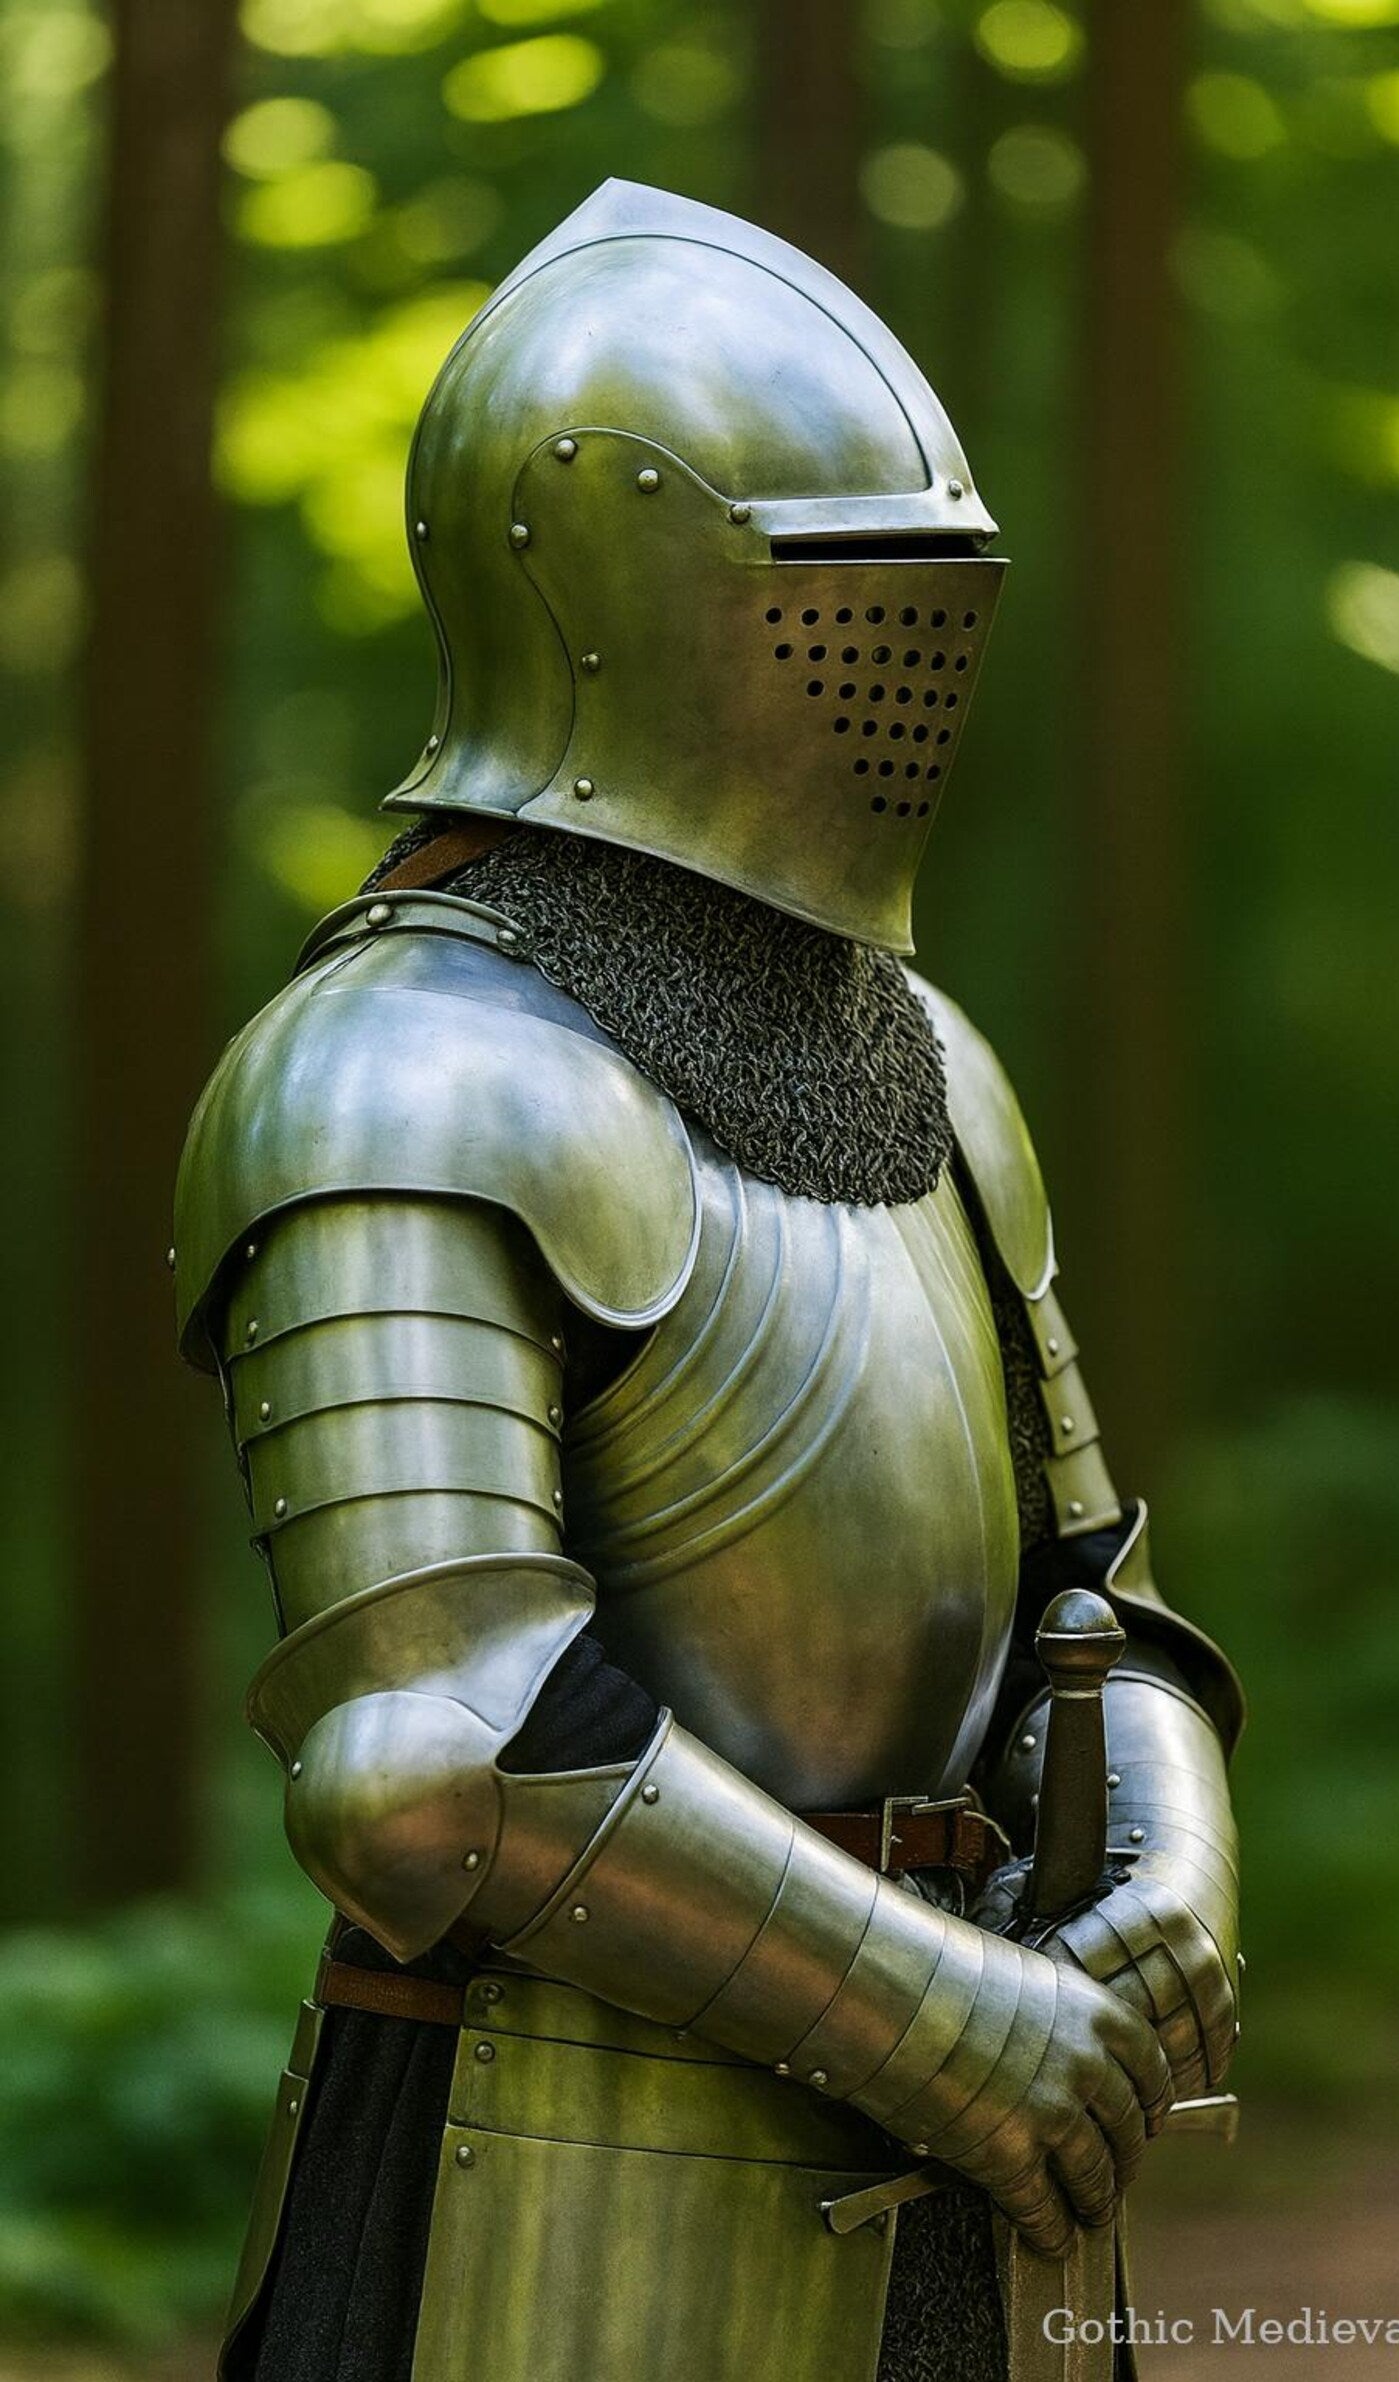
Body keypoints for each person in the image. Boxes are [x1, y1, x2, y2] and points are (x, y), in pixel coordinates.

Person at [173, 179, 1241, 2382]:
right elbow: (434, 1754)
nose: (909, 658)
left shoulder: (926, 1062)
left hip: (1004, 2197)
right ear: (626, 606)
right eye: (852, 598)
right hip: (559, 2197)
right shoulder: (401, 1071)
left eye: (937, 598)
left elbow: (1091, 1591)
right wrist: (956, 2027)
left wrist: (1160, 1881)